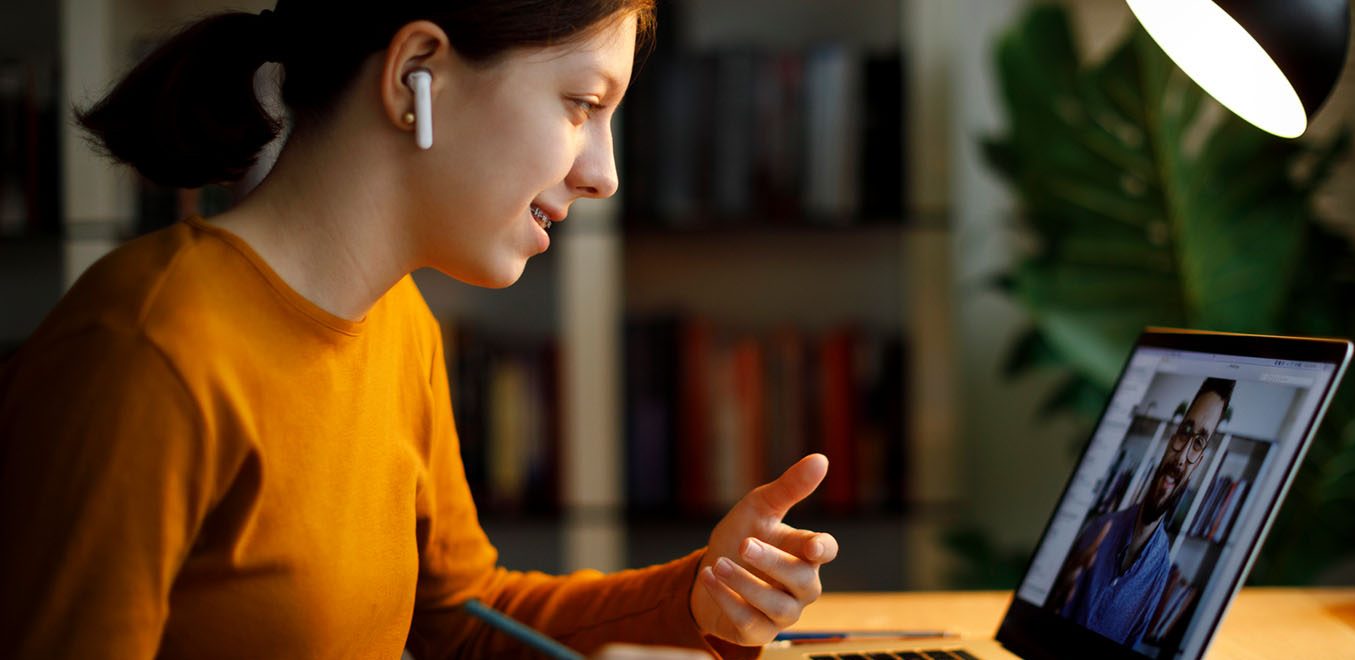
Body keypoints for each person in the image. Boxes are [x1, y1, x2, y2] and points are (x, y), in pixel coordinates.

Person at [0, 2, 840, 658]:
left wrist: (703, 594)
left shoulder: (396, 320)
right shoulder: (146, 351)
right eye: (581, 104)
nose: (604, 175)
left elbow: (467, 627)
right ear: (415, 77)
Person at [1044, 377, 1235, 647]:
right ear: (1172, 436)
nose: (1181, 457)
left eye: (1199, 442)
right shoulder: (1099, 528)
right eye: (1185, 432)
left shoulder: (1159, 573)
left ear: (1199, 462)